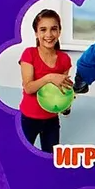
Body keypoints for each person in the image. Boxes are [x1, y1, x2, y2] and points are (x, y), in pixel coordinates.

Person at [17, 8, 72, 153]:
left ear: (59, 31)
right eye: (43, 29)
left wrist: (67, 100)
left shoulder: (65, 59)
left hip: (51, 120)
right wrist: (50, 77)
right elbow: (28, 88)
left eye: (54, 29)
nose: (49, 34)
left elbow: (61, 90)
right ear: (36, 33)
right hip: (28, 118)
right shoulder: (29, 54)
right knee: (21, 156)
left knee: (50, 158)